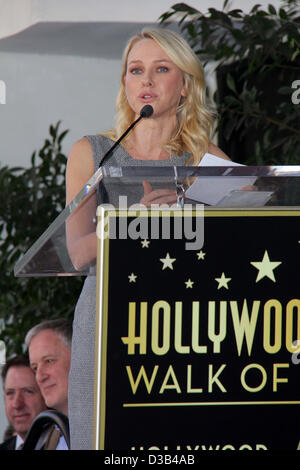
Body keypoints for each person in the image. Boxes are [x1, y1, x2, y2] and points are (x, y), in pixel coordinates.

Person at [66, 27, 230, 450]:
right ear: (125, 83)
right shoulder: (92, 152)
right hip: (105, 323)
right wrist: (130, 223)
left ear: (185, 86)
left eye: (161, 69)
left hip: (178, 327)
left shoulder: (209, 163)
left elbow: (238, 248)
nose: (147, 81)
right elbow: (80, 252)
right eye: (136, 70)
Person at [25, 319, 72, 450]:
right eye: (35, 368)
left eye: (49, 361)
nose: (39, 376)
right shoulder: (46, 438)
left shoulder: (108, 426)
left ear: (79, 357)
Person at [0, 355, 47, 450]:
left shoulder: (66, 444)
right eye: (10, 393)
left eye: (28, 391)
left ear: (45, 396)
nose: (17, 404)